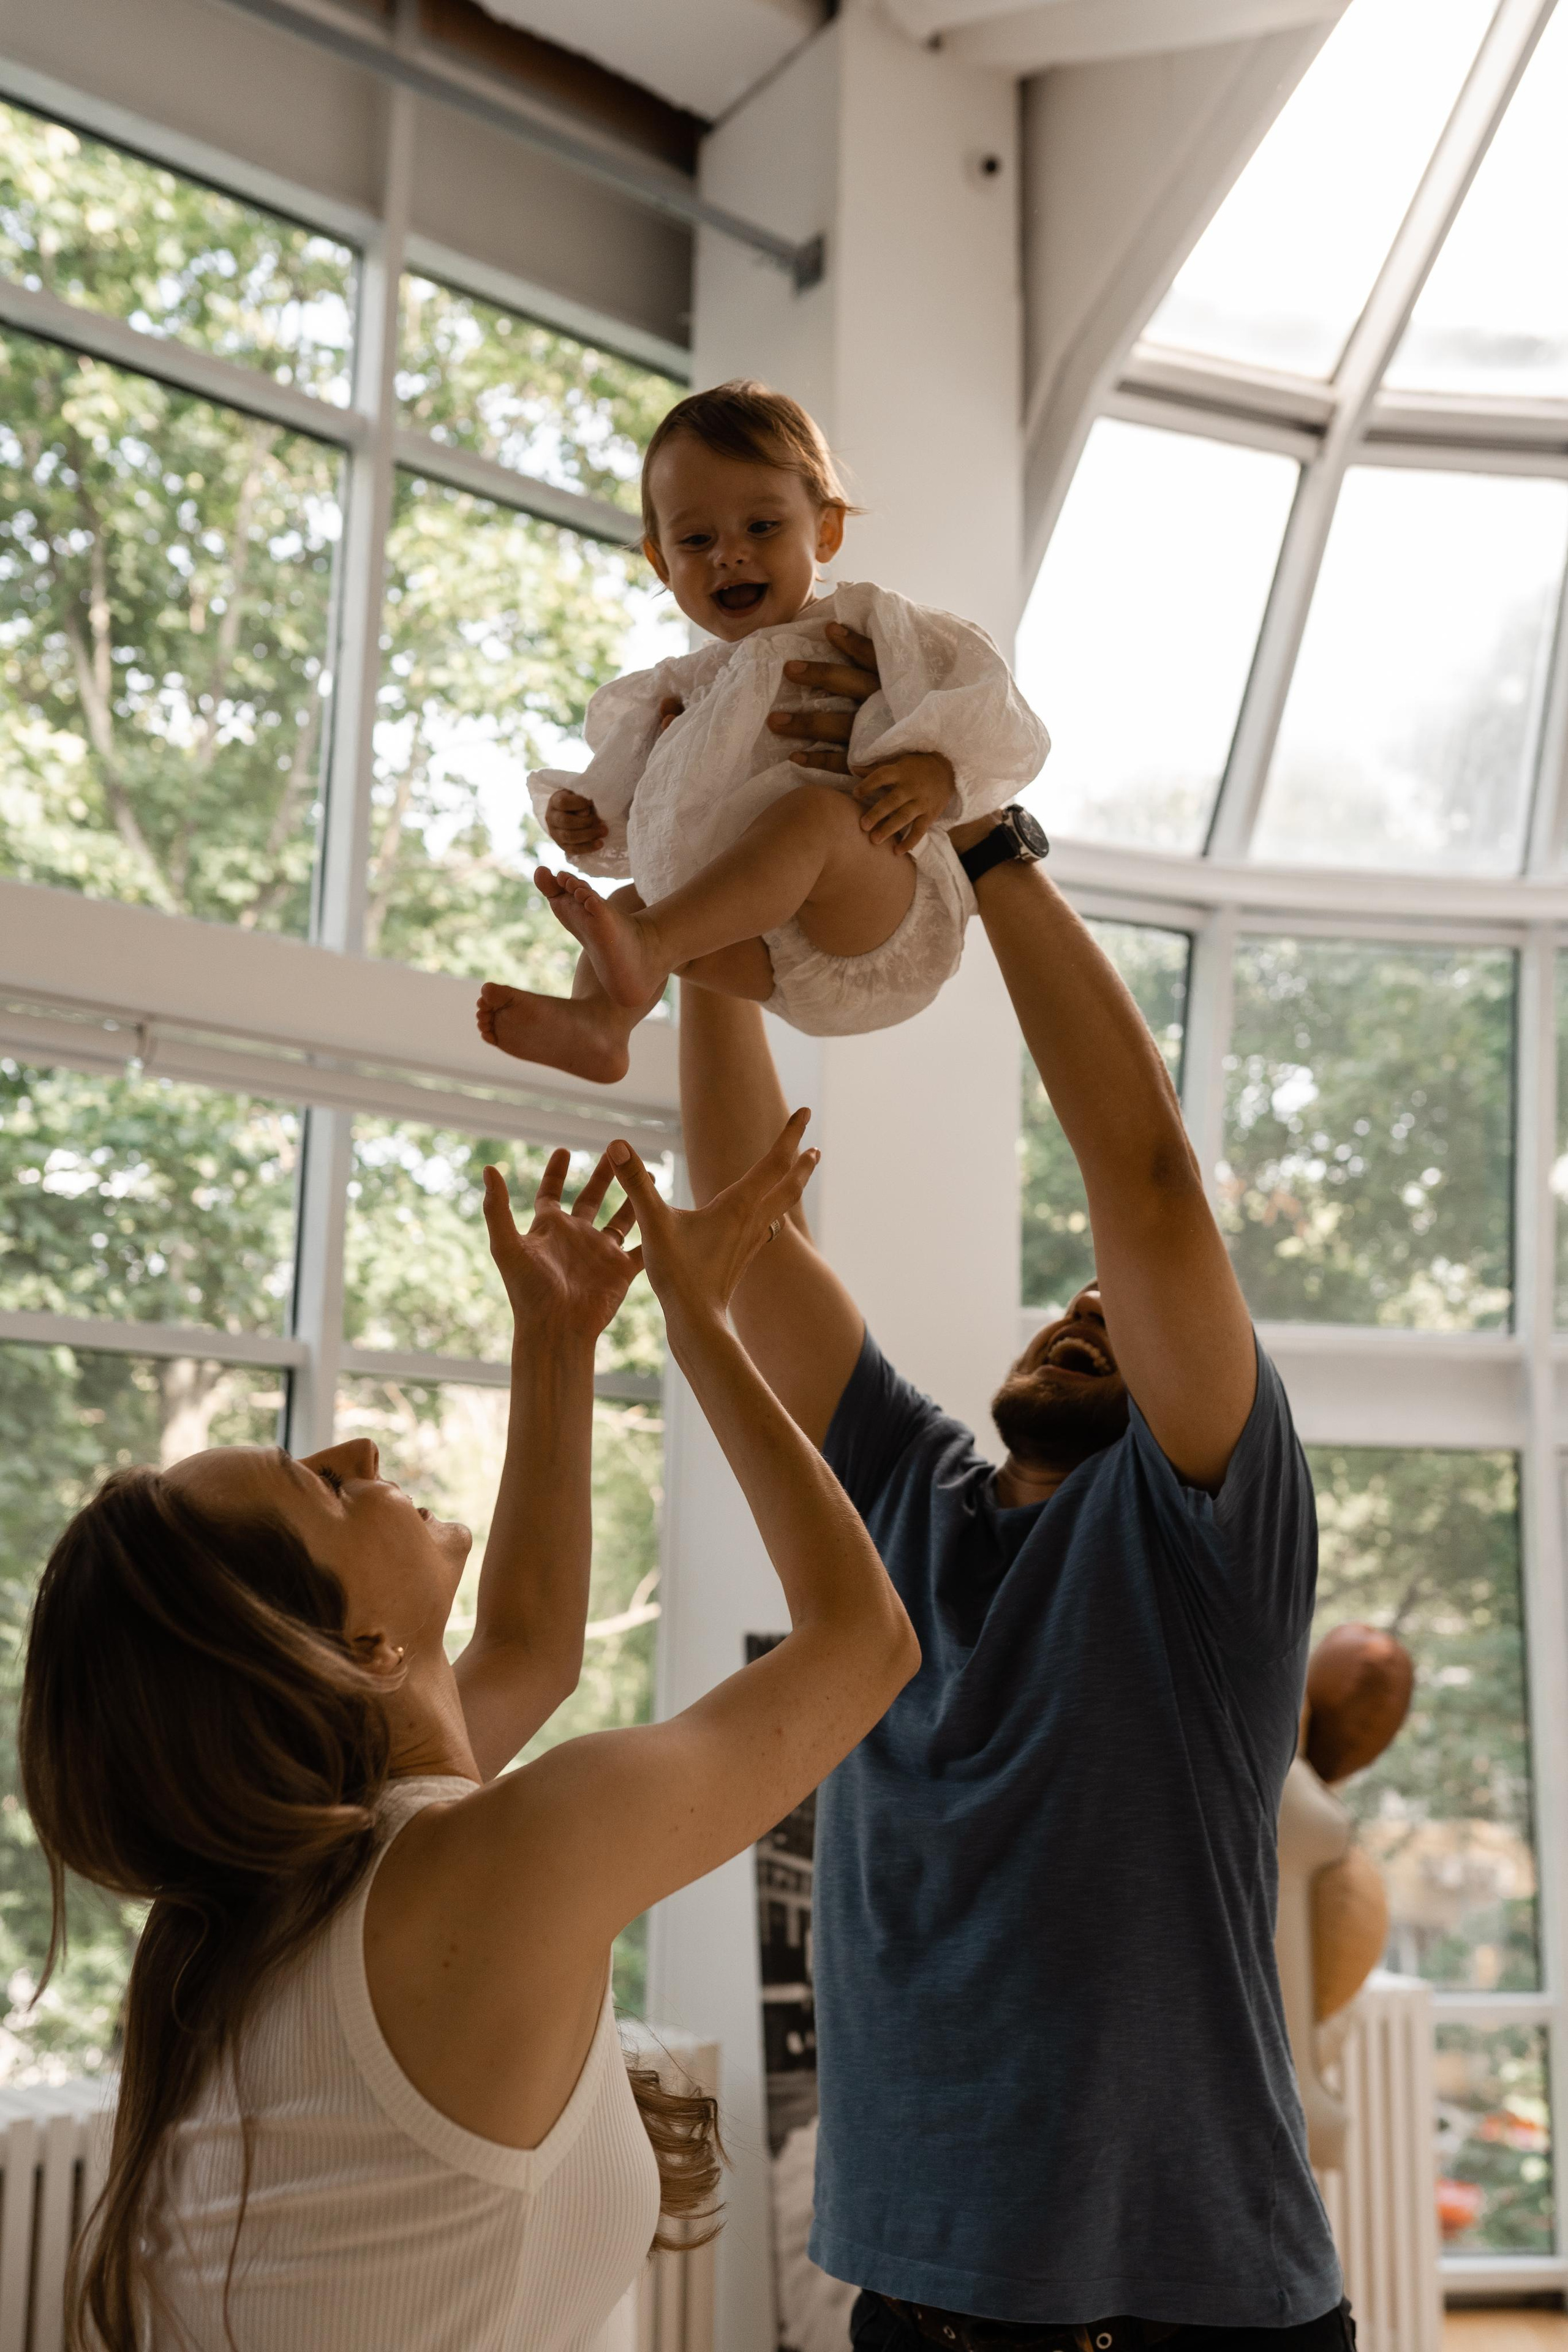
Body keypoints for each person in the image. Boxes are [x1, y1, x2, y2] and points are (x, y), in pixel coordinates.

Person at [678, 631, 1349, 2352]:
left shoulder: (1208, 1547)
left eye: (1126, 1318)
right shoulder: (907, 1502)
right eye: (1078, 1297)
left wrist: (986, 833)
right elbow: (753, 1254)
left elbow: (1144, 1178)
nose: (1091, 1299)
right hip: (917, 2296)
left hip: (1186, 2312)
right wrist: (688, 907)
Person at [19, 1123, 919, 2352]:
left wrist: (557, 1341)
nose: (359, 1452)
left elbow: (529, 1649)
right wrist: (700, 1323)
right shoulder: (484, 1868)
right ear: (360, 1652)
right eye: (323, 1486)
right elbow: (863, 1643)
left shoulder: (271, 1903)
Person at [475, 380, 1048, 1082]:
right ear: (660, 562)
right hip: (765, 953)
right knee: (632, 905)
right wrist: (588, 811)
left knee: (811, 818)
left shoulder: (870, 628)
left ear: (827, 531)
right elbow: (644, 802)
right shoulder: (683, 689)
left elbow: (993, 711)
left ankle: (649, 947)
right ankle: (602, 1024)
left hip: (878, 920)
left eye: (763, 527)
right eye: (695, 539)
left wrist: (939, 770)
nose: (729, 555)